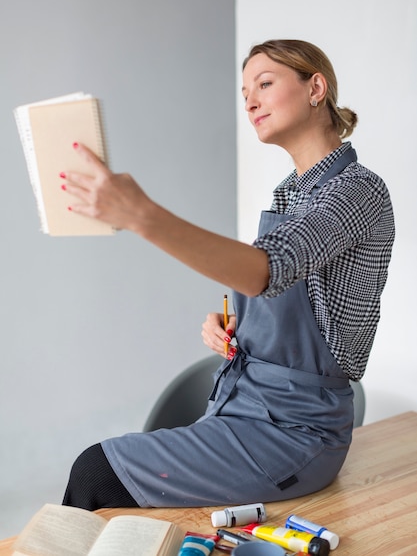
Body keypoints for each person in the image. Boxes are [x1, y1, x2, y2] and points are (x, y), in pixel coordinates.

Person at [61, 39, 395, 510]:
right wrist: (234, 328)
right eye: (244, 94)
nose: (250, 101)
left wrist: (141, 215)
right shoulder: (287, 195)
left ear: (316, 87)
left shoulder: (359, 191)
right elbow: (264, 289)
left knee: (94, 469)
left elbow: (268, 269)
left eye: (264, 84)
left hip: (296, 434)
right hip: (242, 407)